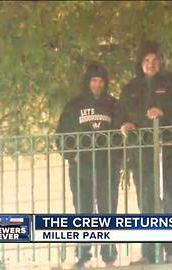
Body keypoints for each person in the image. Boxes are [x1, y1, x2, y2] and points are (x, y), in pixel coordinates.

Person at [119, 41, 172, 264]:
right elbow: (121, 114)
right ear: (140, 63)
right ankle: (149, 253)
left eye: (155, 60)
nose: (151, 64)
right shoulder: (131, 88)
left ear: (161, 62)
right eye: (146, 60)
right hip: (143, 153)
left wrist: (164, 113)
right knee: (147, 201)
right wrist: (124, 124)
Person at [55, 62, 122, 268]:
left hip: (106, 166)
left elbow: (122, 132)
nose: (97, 85)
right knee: (83, 209)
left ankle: (109, 254)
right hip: (81, 166)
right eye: (94, 80)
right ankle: (83, 254)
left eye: (101, 81)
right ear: (88, 82)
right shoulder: (74, 106)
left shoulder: (113, 104)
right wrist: (71, 155)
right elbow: (61, 134)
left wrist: (116, 158)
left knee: (107, 209)